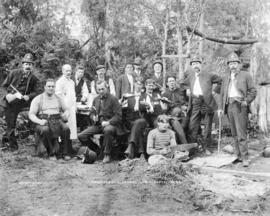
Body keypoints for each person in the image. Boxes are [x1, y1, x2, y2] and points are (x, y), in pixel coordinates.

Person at [218, 52, 256, 167]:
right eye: (231, 64)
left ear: (238, 64)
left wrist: (246, 101)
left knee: (241, 133)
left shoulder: (245, 75)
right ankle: (238, 155)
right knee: (234, 133)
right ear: (228, 65)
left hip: (240, 106)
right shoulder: (226, 77)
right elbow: (222, 94)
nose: (233, 66)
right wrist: (220, 108)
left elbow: (253, 91)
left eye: (235, 63)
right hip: (229, 105)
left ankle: (245, 158)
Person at [181, 56, 222, 153]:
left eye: (197, 63)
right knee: (193, 125)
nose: (195, 65)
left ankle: (207, 147)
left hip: (207, 102)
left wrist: (214, 91)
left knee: (207, 127)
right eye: (193, 64)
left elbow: (221, 81)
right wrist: (187, 89)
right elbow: (182, 83)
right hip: (195, 102)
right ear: (191, 66)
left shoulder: (209, 74)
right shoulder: (190, 76)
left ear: (201, 65)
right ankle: (193, 148)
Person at [1, 53, 40, 151]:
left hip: (23, 103)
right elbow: (3, 86)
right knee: (11, 123)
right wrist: (7, 95)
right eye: (26, 64)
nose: (28, 66)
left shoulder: (34, 79)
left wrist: (29, 96)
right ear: (22, 64)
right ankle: (13, 147)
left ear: (32, 66)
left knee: (35, 115)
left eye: (30, 64)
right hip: (9, 102)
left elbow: (36, 92)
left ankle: (5, 140)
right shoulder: (14, 73)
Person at [78, 80, 123, 163]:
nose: (101, 91)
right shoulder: (96, 99)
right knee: (81, 136)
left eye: (103, 89)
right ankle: (97, 150)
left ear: (107, 87)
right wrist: (93, 117)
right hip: (98, 124)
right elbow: (92, 112)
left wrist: (108, 122)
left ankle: (107, 154)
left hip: (111, 124)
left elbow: (118, 116)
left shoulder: (113, 99)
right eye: (99, 89)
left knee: (108, 130)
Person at [28, 79, 72, 160]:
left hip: (57, 120)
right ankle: (51, 153)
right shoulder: (38, 99)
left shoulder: (58, 98)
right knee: (45, 130)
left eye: (53, 86)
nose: (51, 88)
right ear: (45, 87)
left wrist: (66, 114)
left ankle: (65, 152)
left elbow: (66, 109)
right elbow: (31, 114)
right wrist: (39, 121)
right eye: (49, 86)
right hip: (43, 121)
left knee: (66, 128)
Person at [162, 76, 188, 144]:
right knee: (175, 122)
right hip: (171, 115)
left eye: (173, 81)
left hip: (182, 113)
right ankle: (183, 144)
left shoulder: (181, 92)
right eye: (170, 81)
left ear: (175, 82)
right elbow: (164, 108)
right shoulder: (165, 94)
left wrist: (185, 106)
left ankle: (183, 145)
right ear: (167, 83)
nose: (172, 83)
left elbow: (186, 103)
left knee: (184, 125)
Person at [55, 64, 77, 140]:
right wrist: (64, 107)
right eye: (66, 71)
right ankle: (62, 145)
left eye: (70, 70)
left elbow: (73, 95)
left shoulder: (72, 82)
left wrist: (75, 106)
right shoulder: (59, 82)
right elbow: (58, 95)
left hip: (72, 107)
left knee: (72, 127)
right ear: (63, 71)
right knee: (64, 127)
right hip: (64, 108)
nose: (68, 72)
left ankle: (70, 144)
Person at [74, 64, 90, 131]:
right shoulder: (71, 79)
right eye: (79, 72)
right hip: (71, 100)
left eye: (82, 72)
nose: (81, 74)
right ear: (76, 72)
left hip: (78, 100)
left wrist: (84, 97)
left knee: (85, 110)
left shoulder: (83, 81)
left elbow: (85, 91)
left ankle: (83, 128)